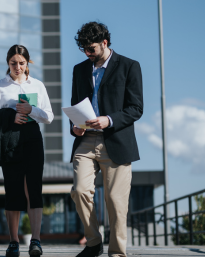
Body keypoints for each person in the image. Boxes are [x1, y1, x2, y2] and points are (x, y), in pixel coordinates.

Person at [69, 22, 143, 257]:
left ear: (104, 43)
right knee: (80, 190)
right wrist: (75, 128)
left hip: (116, 140)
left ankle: (117, 253)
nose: (88, 54)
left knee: (115, 199)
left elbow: (136, 108)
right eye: (84, 50)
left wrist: (108, 120)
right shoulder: (79, 70)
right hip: (86, 141)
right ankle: (93, 243)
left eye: (91, 49)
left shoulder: (130, 66)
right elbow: (75, 105)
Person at [0, 45, 53, 257]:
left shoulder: (38, 85)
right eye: (13, 63)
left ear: (27, 63)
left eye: (22, 63)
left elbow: (49, 116)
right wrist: (10, 115)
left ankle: (36, 240)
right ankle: (13, 241)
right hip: (9, 138)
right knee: (13, 188)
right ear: (8, 63)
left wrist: (32, 110)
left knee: (34, 188)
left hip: (32, 138)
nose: (18, 67)